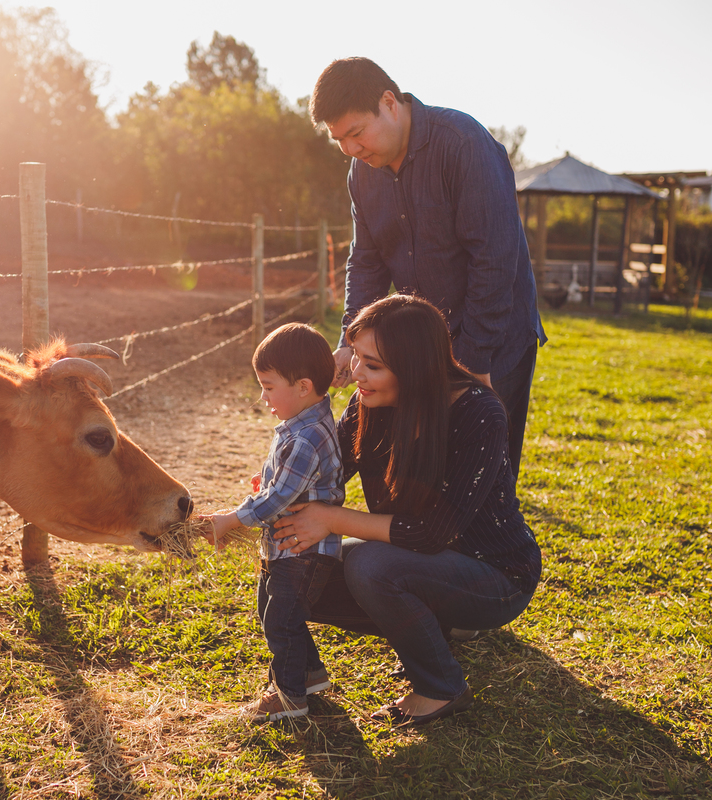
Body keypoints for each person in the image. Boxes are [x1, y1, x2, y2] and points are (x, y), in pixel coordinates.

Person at [273, 294, 541, 726]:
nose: (356, 374)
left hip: (495, 577)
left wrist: (331, 519)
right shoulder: (368, 403)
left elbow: (431, 533)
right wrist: (274, 500)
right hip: (424, 564)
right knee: (288, 552)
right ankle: (301, 675)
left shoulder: (479, 414)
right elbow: (326, 475)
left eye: (372, 365)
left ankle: (440, 688)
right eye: (357, 357)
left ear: (417, 368)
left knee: (372, 566)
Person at [309, 57, 547, 480]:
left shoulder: (462, 143)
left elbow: (494, 260)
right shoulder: (362, 174)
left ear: (389, 102)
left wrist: (474, 362)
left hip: (495, 336)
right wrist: (350, 340)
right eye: (339, 140)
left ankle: (493, 547)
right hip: (423, 341)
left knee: (486, 466)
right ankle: (424, 543)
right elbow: (366, 261)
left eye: (357, 133)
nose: (350, 149)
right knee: (428, 463)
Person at [202, 323, 345, 722]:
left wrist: (232, 519)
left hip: (302, 550)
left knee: (280, 619)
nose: (262, 396)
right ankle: (311, 674)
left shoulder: (305, 437)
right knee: (276, 611)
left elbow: (278, 498)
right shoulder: (302, 426)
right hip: (287, 546)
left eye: (267, 386)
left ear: (302, 386)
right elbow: (284, 486)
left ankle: (289, 696)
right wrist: (268, 484)